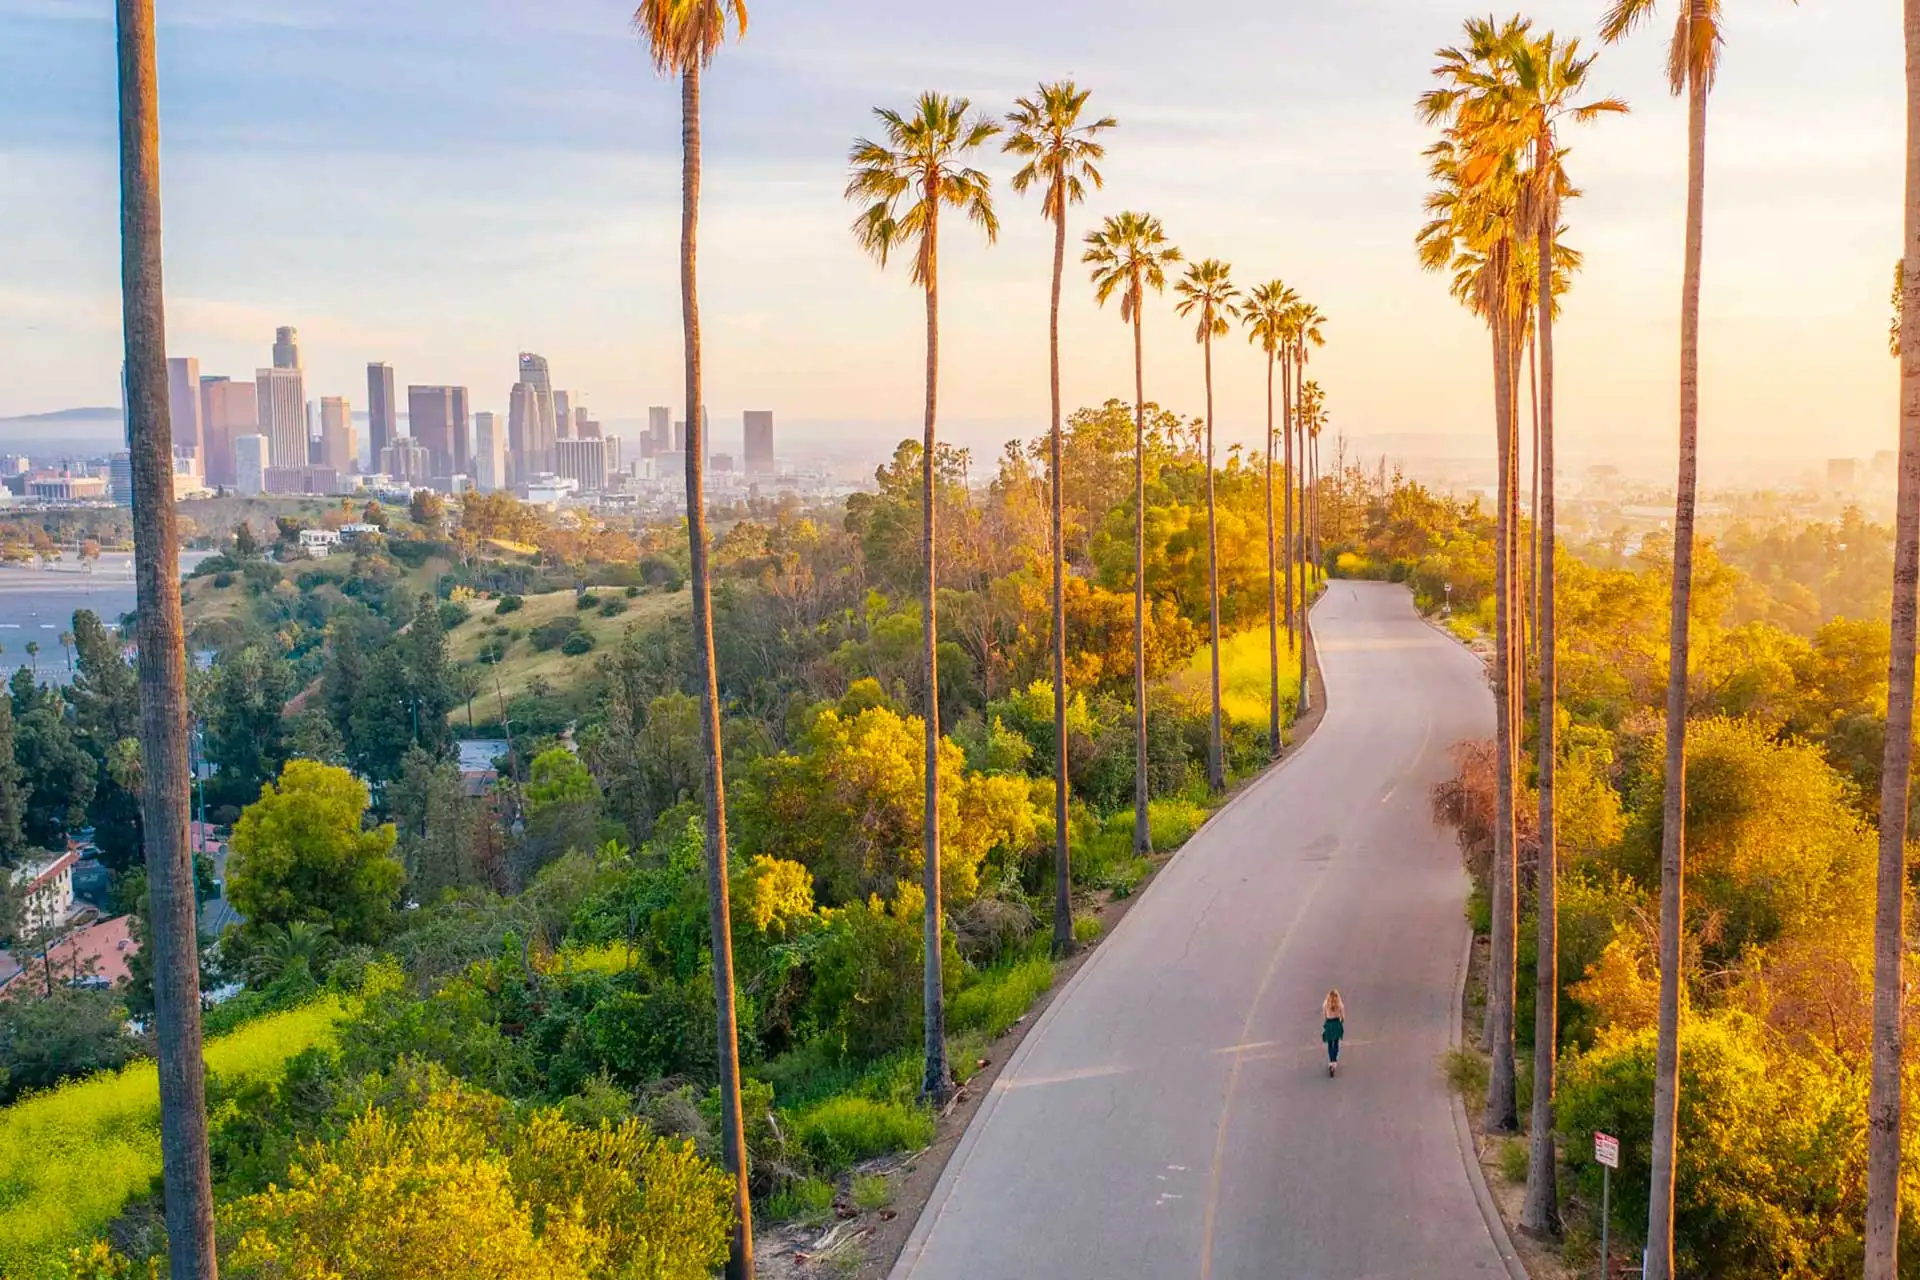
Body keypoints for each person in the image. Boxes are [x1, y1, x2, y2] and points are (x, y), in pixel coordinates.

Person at [1322, 990, 1345, 1077]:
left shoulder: (1325, 1004)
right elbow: (1343, 1017)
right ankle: (1334, 1062)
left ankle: (1331, 1061)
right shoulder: (1339, 1005)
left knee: (1330, 1043)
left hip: (1329, 1023)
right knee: (1336, 1043)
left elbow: (1324, 1016)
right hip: (1336, 1024)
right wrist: (1341, 1021)